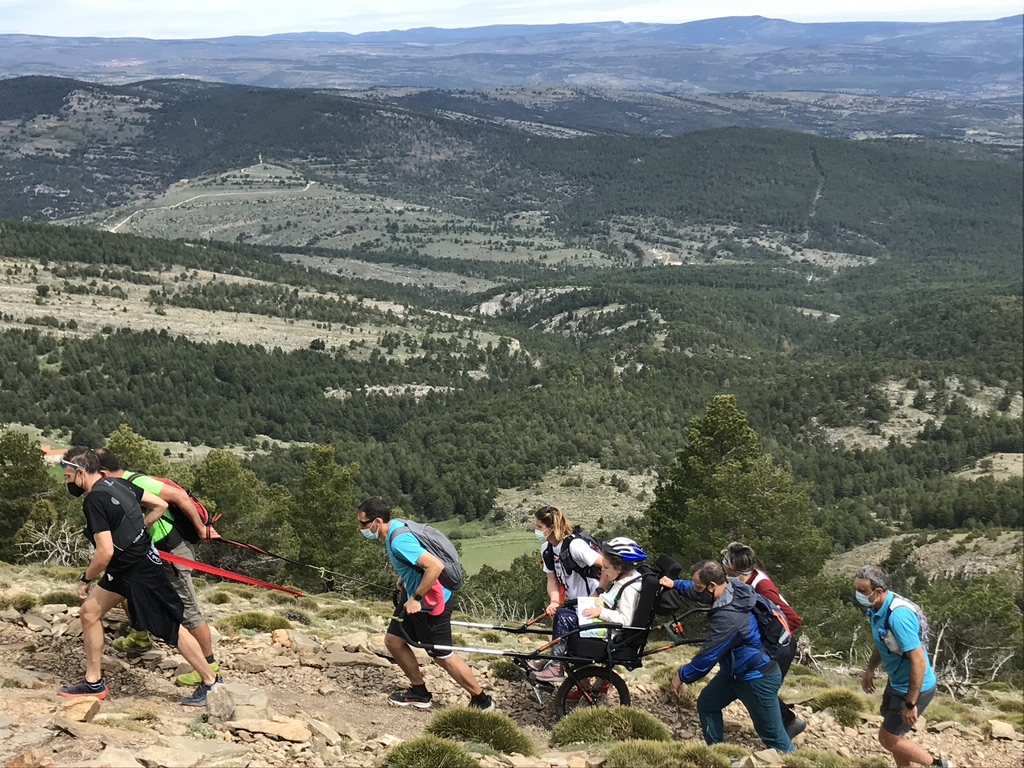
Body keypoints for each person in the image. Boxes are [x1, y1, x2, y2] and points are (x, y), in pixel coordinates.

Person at [59, 447, 221, 706]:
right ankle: (94, 682)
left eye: (68, 477)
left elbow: (105, 551)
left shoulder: (94, 501)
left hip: (137, 571)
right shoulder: (119, 484)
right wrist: (140, 532)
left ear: (80, 473)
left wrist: (86, 579)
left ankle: (211, 683)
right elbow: (160, 504)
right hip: (127, 567)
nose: (68, 482)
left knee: (170, 626)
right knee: (89, 613)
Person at [356, 497, 494, 711]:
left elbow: (435, 566)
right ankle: (419, 693)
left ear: (378, 521)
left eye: (364, 524)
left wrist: (417, 598)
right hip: (414, 597)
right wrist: (405, 578)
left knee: (442, 656)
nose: (361, 528)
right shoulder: (396, 527)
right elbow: (418, 562)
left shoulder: (398, 540)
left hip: (430, 603)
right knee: (394, 640)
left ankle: (482, 700)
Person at [661, 560, 793, 753]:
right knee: (708, 704)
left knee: (773, 736)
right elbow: (696, 589)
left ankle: (791, 761)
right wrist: (675, 584)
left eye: (699, 587)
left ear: (712, 586)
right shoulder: (732, 586)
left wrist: (682, 675)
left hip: (756, 678)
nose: (696, 591)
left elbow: (709, 655)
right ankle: (718, 756)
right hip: (735, 672)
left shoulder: (729, 618)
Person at [855, 565, 950, 768]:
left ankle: (938, 765)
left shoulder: (897, 616)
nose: (858, 595)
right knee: (895, 736)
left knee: (887, 738)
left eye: (863, 591)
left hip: (914, 687)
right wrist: (870, 669)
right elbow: (882, 642)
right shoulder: (878, 609)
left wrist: (910, 704)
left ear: (878, 591)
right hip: (897, 682)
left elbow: (919, 660)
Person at [722, 541, 806, 739]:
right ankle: (786, 726)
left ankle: (784, 734)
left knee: (761, 689)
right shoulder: (748, 578)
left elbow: (793, 620)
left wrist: (767, 642)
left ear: (738, 571)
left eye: (727, 568)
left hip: (781, 646)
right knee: (758, 688)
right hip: (774, 645)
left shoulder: (762, 587)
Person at [535, 537, 647, 683]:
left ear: (619, 568)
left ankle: (557, 665)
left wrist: (601, 613)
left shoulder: (630, 589)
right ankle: (555, 660)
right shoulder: (624, 580)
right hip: (606, 625)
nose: (604, 572)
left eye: (606, 568)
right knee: (565, 612)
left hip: (610, 632)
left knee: (563, 617)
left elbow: (626, 620)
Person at [532, 505, 604, 681]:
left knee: (563, 619)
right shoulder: (547, 550)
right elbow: (552, 581)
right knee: (564, 620)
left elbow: (606, 565)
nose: (537, 531)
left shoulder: (575, 546)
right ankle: (581, 686)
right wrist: (554, 602)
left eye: (539, 527)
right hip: (575, 603)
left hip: (593, 606)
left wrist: (599, 592)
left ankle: (556, 665)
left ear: (551, 528)